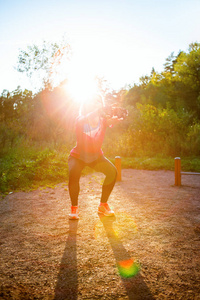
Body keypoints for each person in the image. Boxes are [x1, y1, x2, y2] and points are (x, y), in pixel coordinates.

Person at [68, 94, 127, 220]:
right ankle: (74, 207)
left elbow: (110, 121)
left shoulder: (103, 120)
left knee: (112, 172)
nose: (96, 103)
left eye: (98, 101)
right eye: (93, 100)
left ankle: (103, 205)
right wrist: (99, 110)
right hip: (78, 156)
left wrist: (116, 118)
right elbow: (89, 117)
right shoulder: (81, 119)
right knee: (73, 173)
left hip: (96, 156)